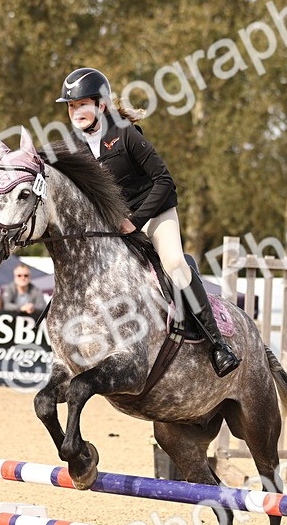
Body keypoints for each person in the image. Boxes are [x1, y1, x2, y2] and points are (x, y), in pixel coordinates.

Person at [56, 66, 240, 377]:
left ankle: (218, 345)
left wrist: (136, 220)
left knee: (174, 264)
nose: (76, 112)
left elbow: (164, 180)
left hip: (154, 213)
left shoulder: (125, 135)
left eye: (82, 104)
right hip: (115, 224)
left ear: (100, 104)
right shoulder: (74, 146)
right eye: (72, 106)